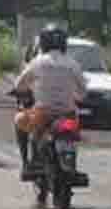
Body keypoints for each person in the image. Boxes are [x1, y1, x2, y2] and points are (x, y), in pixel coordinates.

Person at [12, 24, 85, 176]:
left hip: (43, 113)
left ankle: (27, 164)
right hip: (68, 114)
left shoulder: (37, 62)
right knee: (72, 135)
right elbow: (83, 91)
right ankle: (71, 165)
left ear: (43, 43)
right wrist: (76, 97)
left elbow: (19, 84)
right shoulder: (73, 64)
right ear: (63, 43)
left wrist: (21, 91)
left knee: (18, 119)